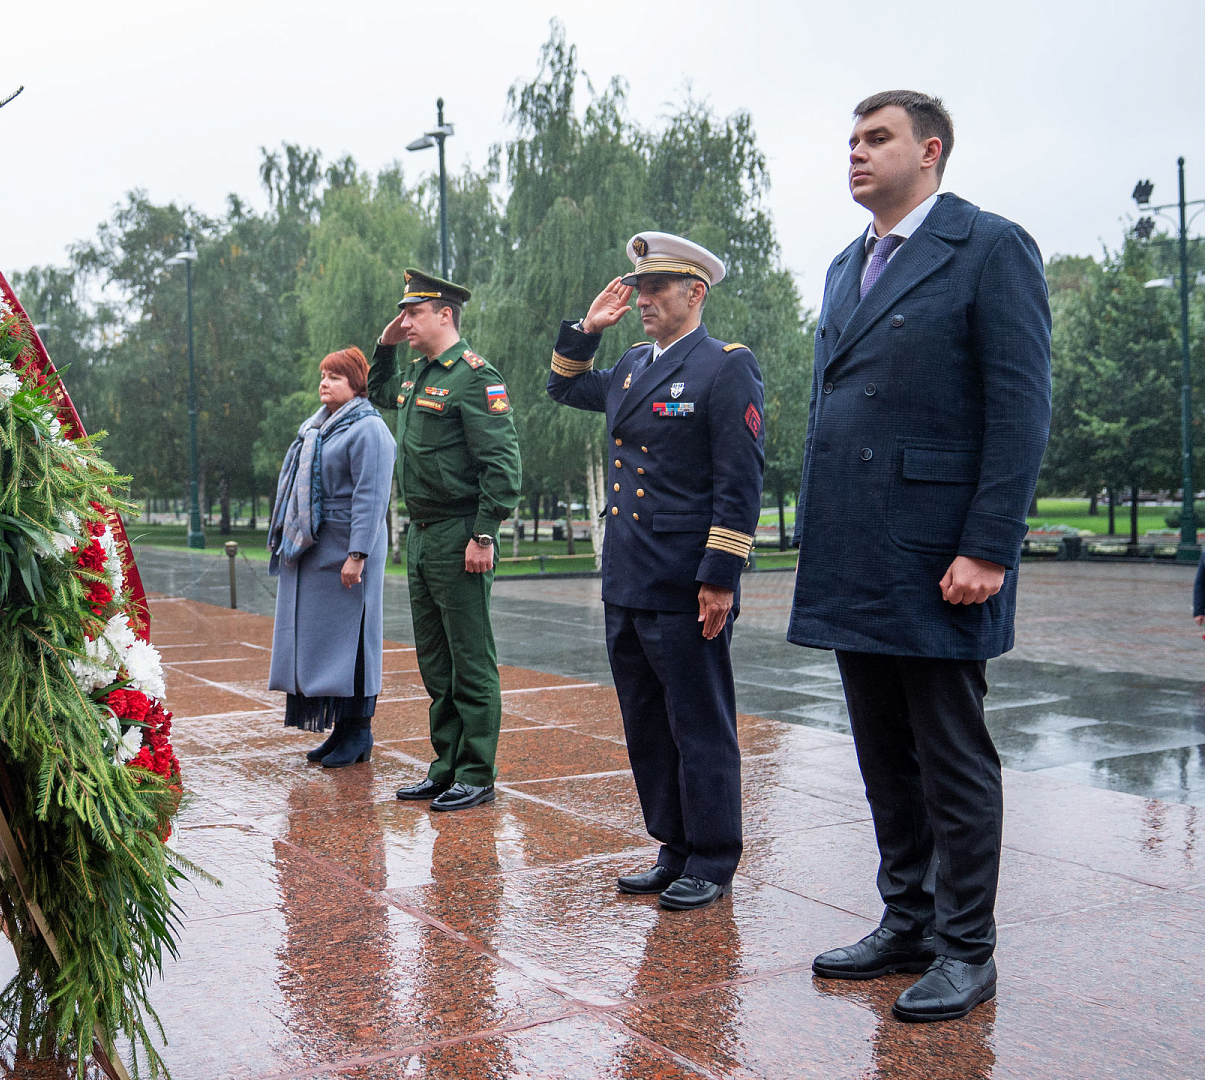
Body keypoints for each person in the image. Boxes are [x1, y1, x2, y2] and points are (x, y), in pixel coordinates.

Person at [791, 91, 1051, 1023]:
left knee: (950, 754)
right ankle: (906, 917)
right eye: (850, 139)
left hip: (942, 554)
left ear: (930, 150)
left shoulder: (988, 246)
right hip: (857, 548)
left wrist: (991, 543)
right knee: (882, 751)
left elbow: (1021, 407)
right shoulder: (843, 265)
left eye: (876, 138)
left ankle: (966, 947)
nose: (855, 153)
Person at [546, 233, 766, 911]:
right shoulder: (635, 365)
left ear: (694, 293)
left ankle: (712, 855)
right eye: (638, 288)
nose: (642, 300)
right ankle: (672, 845)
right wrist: (588, 329)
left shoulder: (724, 368)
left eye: (655, 289)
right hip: (628, 574)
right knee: (646, 722)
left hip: (684, 578)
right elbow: (563, 386)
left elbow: (740, 478)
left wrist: (721, 575)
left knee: (699, 721)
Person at [368, 269, 522, 812]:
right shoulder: (416, 375)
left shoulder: (476, 378)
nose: (404, 321)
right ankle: (446, 766)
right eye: (403, 313)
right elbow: (378, 390)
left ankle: (477, 772)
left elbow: (501, 464)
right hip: (423, 534)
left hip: (461, 533)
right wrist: (384, 347)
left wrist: (485, 533)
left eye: (413, 313)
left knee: (470, 658)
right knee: (436, 661)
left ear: (445, 315)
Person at [267, 347, 397, 767]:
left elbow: (371, 499)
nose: (324, 382)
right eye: (323, 375)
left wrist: (357, 554)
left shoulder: (370, 430)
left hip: (349, 549)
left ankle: (359, 732)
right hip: (317, 548)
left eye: (335, 377)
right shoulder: (318, 427)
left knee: (354, 641)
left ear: (357, 384)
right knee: (328, 644)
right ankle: (342, 729)